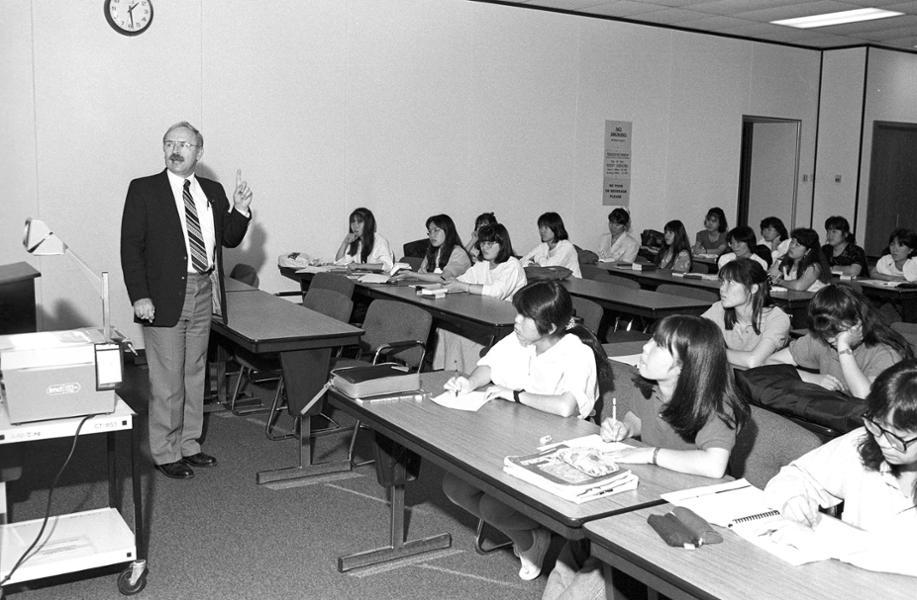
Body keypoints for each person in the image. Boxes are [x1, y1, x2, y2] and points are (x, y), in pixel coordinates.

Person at [544, 315, 748, 599]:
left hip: (688, 511)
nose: (645, 348)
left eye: (658, 346)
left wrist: (650, 454)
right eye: (651, 339)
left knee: (595, 564)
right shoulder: (650, 386)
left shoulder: (714, 404)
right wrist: (624, 427)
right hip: (649, 494)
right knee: (573, 550)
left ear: (685, 365)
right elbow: (638, 417)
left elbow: (714, 465)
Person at [441, 280, 610, 581]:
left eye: (525, 317)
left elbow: (566, 407)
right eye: (518, 314)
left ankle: (530, 539)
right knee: (455, 487)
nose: (516, 321)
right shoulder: (520, 339)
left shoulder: (576, 352)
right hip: (517, 435)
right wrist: (469, 382)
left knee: (494, 507)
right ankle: (532, 533)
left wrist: (514, 394)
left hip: (560, 447)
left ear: (551, 326)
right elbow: (489, 366)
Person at [120, 121, 252, 479]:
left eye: (184, 144)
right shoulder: (144, 189)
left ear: (199, 152)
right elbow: (131, 248)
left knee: (195, 373)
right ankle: (165, 452)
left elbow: (229, 239)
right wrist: (140, 296)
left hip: (204, 290)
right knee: (167, 379)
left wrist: (239, 210)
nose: (175, 150)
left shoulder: (213, 190)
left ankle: (189, 445)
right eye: (169, 143)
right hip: (163, 296)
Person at [764, 360, 917, 577]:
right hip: (846, 583)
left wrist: (831, 541)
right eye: (877, 425)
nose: (882, 441)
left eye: (898, 437)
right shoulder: (862, 442)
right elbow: (796, 475)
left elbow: (908, 557)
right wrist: (794, 500)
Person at [765, 284, 913, 399]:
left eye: (837, 332)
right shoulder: (821, 338)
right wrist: (809, 378)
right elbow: (769, 363)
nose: (830, 339)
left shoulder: (886, 353)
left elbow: (866, 398)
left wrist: (844, 347)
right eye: (825, 334)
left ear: (858, 321)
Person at [433, 224, 527, 371]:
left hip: (506, 322)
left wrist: (463, 286)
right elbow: (463, 279)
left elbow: (496, 292)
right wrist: (444, 287)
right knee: (445, 330)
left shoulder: (512, 265)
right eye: (482, 243)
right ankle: (446, 373)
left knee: (463, 337)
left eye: (490, 243)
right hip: (485, 315)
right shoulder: (483, 263)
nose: (485, 247)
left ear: (502, 245)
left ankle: (470, 375)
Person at [702, 258, 790, 368]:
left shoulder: (777, 318)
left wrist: (711, 351)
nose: (722, 289)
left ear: (753, 288)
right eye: (722, 282)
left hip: (761, 381)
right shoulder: (719, 308)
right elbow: (692, 333)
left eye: (731, 283)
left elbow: (753, 361)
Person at [393, 214, 470, 283]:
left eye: (436, 230)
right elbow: (422, 276)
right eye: (430, 231)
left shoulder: (459, 253)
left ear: (448, 231)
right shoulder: (433, 251)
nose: (432, 235)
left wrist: (413, 274)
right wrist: (403, 277)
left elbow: (443, 278)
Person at [520, 212, 582, 278]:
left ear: (555, 228)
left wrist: (537, 257)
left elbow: (550, 267)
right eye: (540, 227)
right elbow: (521, 262)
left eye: (546, 228)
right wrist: (530, 264)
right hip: (554, 284)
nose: (542, 231)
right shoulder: (543, 246)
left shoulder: (566, 246)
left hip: (573, 284)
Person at [768, 228, 831, 292]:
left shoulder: (814, 266)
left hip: (816, 299)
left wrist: (780, 281)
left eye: (797, 245)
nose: (792, 246)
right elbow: (769, 277)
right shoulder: (784, 259)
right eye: (792, 242)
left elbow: (799, 286)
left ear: (808, 250)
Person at [334, 207, 395, 272]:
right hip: (362, 279)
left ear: (368, 223)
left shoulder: (379, 241)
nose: (355, 226)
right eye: (353, 222)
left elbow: (387, 266)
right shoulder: (356, 241)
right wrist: (345, 243)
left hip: (379, 279)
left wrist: (359, 266)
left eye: (359, 222)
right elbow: (339, 263)